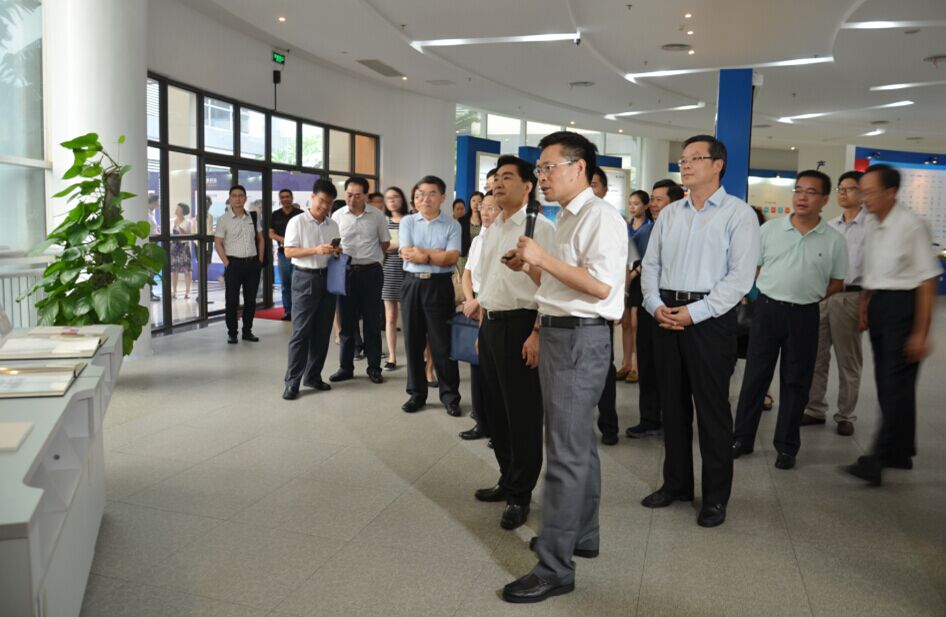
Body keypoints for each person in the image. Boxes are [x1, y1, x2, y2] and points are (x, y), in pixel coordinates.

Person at [502, 132, 626, 603]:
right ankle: (582, 534)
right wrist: (530, 267)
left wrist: (541, 257)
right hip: (561, 332)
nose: (542, 176)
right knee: (578, 446)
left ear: (579, 168)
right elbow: (562, 284)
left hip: (578, 338)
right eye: (540, 169)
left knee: (564, 454)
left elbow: (602, 288)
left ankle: (554, 568)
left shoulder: (601, 218)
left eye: (549, 167)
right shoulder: (567, 217)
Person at [640, 135, 760, 528]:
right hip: (666, 314)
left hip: (710, 319)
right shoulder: (670, 214)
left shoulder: (738, 214)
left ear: (717, 164)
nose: (685, 165)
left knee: (712, 412)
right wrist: (654, 304)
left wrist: (695, 313)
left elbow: (740, 278)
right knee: (672, 408)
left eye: (695, 158)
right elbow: (651, 265)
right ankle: (676, 484)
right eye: (683, 159)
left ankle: (715, 497)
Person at [732, 170, 848, 470]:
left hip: (805, 315)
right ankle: (742, 438)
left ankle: (786, 447)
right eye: (798, 190)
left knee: (796, 381)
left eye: (811, 192)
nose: (802, 197)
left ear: (824, 199)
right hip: (767, 311)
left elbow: (837, 281)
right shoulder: (769, 230)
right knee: (755, 376)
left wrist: (808, 295)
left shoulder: (834, 240)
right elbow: (755, 267)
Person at [844, 164, 942, 486]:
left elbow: (927, 282)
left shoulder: (912, 225)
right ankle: (900, 452)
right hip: (880, 305)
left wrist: (920, 332)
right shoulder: (873, 222)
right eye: (862, 191)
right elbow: (872, 270)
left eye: (870, 192)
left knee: (894, 385)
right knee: (891, 383)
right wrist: (864, 306)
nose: (864, 198)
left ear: (891, 192)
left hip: (904, 308)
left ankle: (878, 458)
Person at [474, 158, 557, 533]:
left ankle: (521, 494)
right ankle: (507, 478)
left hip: (522, 325)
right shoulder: (493, 227)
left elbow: (552, 285)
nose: (498, 183)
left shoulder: (540, 229)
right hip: (492, 324)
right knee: (495, 411)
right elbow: (489, 282)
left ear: (528, 186)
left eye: (507, 177)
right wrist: (482, 327)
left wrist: (537, 331)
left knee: (522, 414)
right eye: (495, 178)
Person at [803, 171, 868, 436]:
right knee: (816, 356)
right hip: (823, 296)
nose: (843, 193)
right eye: (840, 188)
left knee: (848, 360)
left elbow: (873, 269)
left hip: (851, 297)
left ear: (862, 193)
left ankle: (846, 415)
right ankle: (815, 408)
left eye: (849, 188)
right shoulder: (829, 226)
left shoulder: (871, 227)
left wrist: (865, 306)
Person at [399, 175, 463, 417]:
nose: (424, 199)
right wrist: (436, 253)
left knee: (443, 343)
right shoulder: (408, 221)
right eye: (419, 195)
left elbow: (451, 257)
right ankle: (417, 394)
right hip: (412, 285)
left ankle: (450, 396)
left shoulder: (452, 225)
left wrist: (424, 255)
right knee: (413, 341)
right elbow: (406, 252)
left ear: (443, 197)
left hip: (439, 286)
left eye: (431, 194)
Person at [625, 180, 684, 438]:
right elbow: (634, 261)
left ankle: (673, 419)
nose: (654, 204)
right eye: (653, 199)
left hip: (675, 305)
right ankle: (649, 418)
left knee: (671, 367)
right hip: (648, 302)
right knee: (647, 361)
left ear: (675, 202)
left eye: (660, 199)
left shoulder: (684, 229)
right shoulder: (647, 231)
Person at [282, 180, 343, 400]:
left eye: (329, 203)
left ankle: (313, 376)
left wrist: (335, 251)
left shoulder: (333, 224)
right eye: (322, 201)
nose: (325, 206)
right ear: (312, 197)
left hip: (328, 278)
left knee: (322, 331)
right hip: (305, 278)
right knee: (300, 332)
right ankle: (292, 382)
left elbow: (334, 251)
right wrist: (315, 250)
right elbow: (289, 252)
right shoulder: (297, 222)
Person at [330, 176, 391, 385]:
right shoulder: (337, 216)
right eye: (349, 195)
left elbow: (384, 243)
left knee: (372, 322)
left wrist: (370, 258)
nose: (352, 199)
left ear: (366, 195)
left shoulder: (377, 216)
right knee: (347, 323)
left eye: (357, 196)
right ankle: (345, 368)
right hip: (345, 272)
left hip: (371, 272)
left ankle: (374, 368)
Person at [588, 166, 631, 445]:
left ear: (604, 190)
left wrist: (620, 300)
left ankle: (609, 426)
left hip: (601, 307)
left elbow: (623, 267)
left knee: (604, 368)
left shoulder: (613, 219)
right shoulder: (569, 217)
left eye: (594, 184)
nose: (590, 189)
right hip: (576, 310)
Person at [458, 192, 500, 442]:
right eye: (483, 207)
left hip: (492, 308)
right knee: (477, 368)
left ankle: (498, 428)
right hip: (476, 306)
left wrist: (478, 301)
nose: (485, 212)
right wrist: (469, 300)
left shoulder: (505, 239)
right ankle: (481, 422)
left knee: (495, 372)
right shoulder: (478, 240)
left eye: (491, 208)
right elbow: (467, 274)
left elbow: (498, 280)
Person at [214, 184, 265, 344]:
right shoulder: (223, 219)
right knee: (232, 301)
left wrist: (260, 260)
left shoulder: (252, 217)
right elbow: (218, 243)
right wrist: (227, 263)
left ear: (245, 198)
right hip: (234, 264)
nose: (238, 199)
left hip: (252, 264)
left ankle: (247, 331)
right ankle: (232, 332)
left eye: (241, 196)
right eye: (234, 196)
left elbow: (260, 238)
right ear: (230, 198)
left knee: (250, 300)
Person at [618, 190, 653, 383]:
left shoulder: (650, 227)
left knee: (635, 323)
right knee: (625, 322)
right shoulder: (625, 226)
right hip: (624, 277)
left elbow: (649, 257)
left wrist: (633, 274)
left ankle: (637, 367)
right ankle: (626, 364)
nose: (632, 207)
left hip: (640, 278)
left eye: (637, 203)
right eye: (630, 203)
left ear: (646, 206)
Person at [381, 186, 409, 370]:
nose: (392, 200)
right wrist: (398, 245)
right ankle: (392, 356)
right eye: (388, 197)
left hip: (409, 270)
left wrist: (392, 245)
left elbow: (410, 245)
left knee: (410, 317)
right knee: (390, 317)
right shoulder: (383, 221)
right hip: (388, 271)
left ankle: (418, 354)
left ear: (402, 199)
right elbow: (380, 246)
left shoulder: (410, 220)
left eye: (395, 197)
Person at [270, 189, 303, 321]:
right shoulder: (275, 215)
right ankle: (288, 311)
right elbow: (270, 233)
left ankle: (298, 311)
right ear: (280, 199)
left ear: (292, 198)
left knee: (298, 284)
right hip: (283, 254)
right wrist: (283, 240)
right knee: (285, 284)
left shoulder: (300, 214)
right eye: (282, 197)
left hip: (298, 254)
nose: (285, 199)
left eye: (287, 197)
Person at [170, 203, 194, 299]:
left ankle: (187, 291)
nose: (176, 210)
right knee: (174, 271)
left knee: (186, 270)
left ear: (183, 211)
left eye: (178, 209)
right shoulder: (171, 221)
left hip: (184, 247)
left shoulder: (187, 222)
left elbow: (190, 235)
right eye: (176, 208)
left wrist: (182, 231)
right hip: (174, 247)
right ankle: (174, 291)